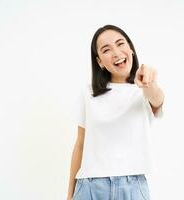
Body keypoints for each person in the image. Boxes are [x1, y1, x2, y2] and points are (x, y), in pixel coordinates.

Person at [66, 24, 164, 200]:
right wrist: (69, 195)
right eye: (106, 49)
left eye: (120, 44)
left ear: (131, 49)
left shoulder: (143, 90)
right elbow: (80, 145)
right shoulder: (88, 93)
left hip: (133, 188)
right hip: (89, 188)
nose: (116, 52)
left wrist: (150, 83)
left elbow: (157, 99)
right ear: (99, 62)